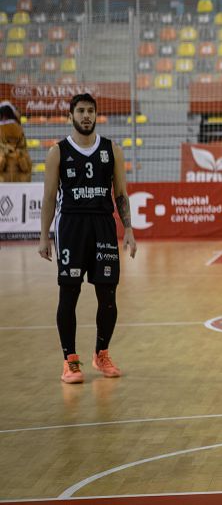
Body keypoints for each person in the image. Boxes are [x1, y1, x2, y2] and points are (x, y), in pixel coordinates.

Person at [37, 94, 137, 384]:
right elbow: (48, 198)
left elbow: (120, 193)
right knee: (69, 294)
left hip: (103, 226)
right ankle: (70, 361)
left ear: (96, 115)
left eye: (90, 111)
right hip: (71, 226)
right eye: (80, 111)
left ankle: (101, 354)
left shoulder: (111, 150)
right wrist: (44, 236)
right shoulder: (57, 151)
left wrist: (128, 230)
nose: (86, 116)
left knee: (107, 296)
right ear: (71, 115)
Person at [0, 103, 31, 183]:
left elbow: (26, 168)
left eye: (7, 118)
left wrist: (19, 155)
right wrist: (3, 154)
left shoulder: (21, 140)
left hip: (19, 186)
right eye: (2, 119)